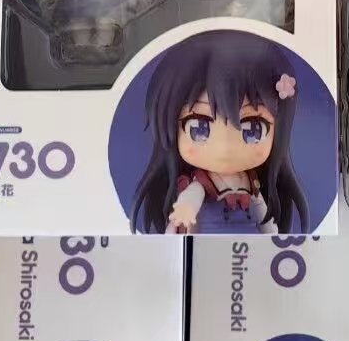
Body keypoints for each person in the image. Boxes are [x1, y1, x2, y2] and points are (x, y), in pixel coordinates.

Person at [130, 30, 309, 235]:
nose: (225, 149)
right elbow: (192, 198)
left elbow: (260, 209)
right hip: (206, 236)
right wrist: (185, 209)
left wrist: (271, 233)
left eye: (253, 129)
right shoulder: (201, 184)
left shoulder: (250, 183)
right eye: (199, 127)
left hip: (245, 240)